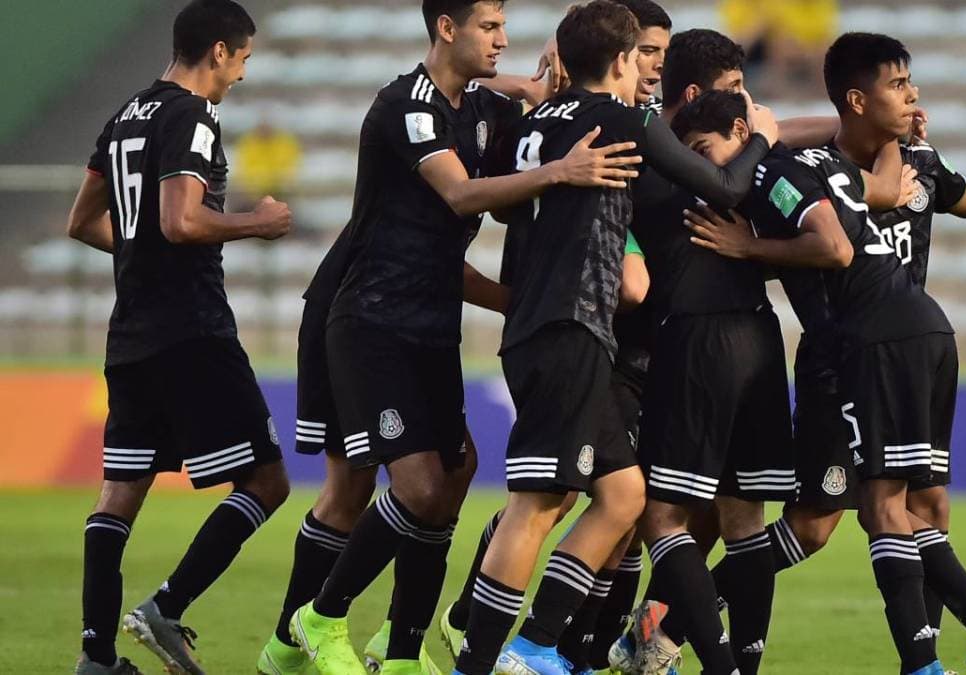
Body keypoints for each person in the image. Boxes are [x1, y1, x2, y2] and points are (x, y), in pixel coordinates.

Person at [282, 1, 642, 674]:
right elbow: (459, 194)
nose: (503, 40)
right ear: (447, 28)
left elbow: (529, 114)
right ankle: (320, 616)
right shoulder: (405, 107)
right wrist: (560, 172)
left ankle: (399, 652)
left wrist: (539, 90)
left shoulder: (482, 109)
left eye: (504, 27)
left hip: (432, 319)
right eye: (489, 27)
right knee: (416, 488)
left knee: (455, 476)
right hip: (373, 317)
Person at [679, 34, 966, 675]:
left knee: (915, 506)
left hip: (891, 343)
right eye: (897, 86)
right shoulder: (812, 166)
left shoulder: (913, 164)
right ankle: (677, 615)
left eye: (909, 85)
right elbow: (847, 210)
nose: (913, 96)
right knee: (822, 521)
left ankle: (938, 650)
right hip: (840, 356)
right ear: (855, 101)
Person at [450, 3, 780, 674]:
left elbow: (507, 205)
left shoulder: (535, 122)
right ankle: (486, 659)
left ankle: (537, 644)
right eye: (642, 56)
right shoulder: (624, 121)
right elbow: (722, 185)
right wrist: (763, 139)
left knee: (624, 495)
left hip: (544, 324)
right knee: (537, 504)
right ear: (624, 60)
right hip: (570, 323)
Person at [66, 1, 292, 673]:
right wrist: (257, 222)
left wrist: (140, 255)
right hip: (192, 330)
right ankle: (168, 606)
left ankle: (96, 658)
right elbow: (182, 222)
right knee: (268, 480)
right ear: (219, 51)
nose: (242, 74)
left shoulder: (125, 116)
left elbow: (82, 221)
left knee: (120, 493)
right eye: (243, 59)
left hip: (131, 333)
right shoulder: (193, 116)